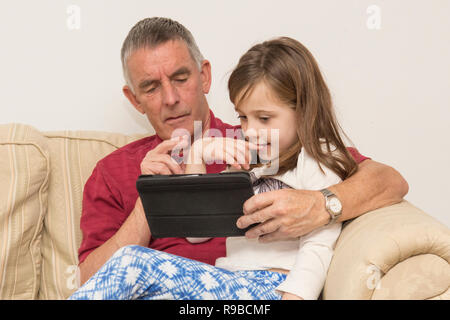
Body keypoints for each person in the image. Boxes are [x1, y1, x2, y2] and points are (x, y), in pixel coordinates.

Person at [76, 17, 409, 289]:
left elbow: (388, 181)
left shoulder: (265, 144)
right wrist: (152, 199)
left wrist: (321, 204)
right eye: (151, 87)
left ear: (204, 76)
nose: (170, 98)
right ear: (134, 99)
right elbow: (95, 282)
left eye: (181, 78)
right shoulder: (111, 171)